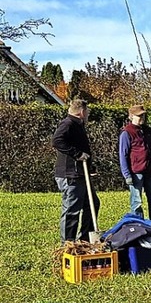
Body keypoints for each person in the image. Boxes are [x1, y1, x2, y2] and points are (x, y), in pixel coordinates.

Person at [52, 98, 100, 243]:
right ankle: (67, 244)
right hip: (70, 175)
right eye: (87, 112)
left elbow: (82, 147)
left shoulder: (78, 125)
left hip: (81, 173)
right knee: (72, 210)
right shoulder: (68, 124)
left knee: (92, 204)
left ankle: (85, 239)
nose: (88, 115)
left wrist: (89, 165)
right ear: (82, 111)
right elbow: (57, 140)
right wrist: (77, 154)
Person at [118, 104, 151, 223]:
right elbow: (123, 155)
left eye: (143, 115)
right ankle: (139, 226)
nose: (142, 117)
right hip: (136, 173)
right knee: (137, 202)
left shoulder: (146, 131)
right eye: (139, 115)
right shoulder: (126, 133)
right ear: (131, 116)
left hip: (149, 171)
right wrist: (127, 175)